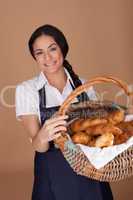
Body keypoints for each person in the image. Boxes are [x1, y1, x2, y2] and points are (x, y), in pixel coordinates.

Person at [15, 24, 113, 200]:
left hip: (89, 168)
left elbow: (97, 132)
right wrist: (44, 135)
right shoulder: (27, 90)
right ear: (35, 58)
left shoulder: (83, 85)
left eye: (52, 49)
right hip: (53, 172)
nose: (47, 57)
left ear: (62, 49)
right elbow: (39, 146)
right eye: (39, 53)